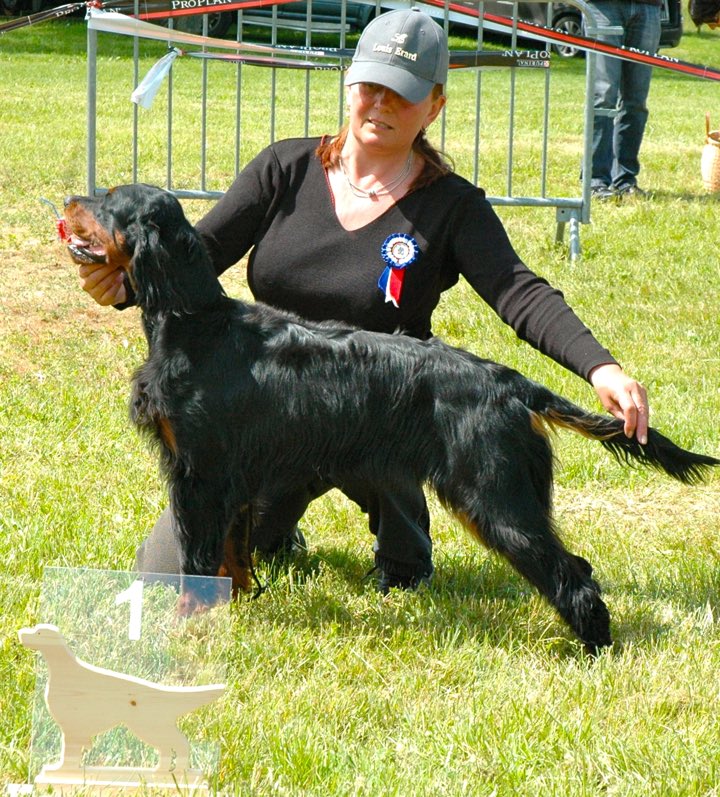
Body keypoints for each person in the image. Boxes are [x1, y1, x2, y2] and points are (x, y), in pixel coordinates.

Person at [77, 8, 649, 592]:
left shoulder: (452, 205)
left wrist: (599, 365)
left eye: (400, 95)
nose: (380, 105)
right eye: (370, 87)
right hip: (274, 411)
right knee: (167, 567)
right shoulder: (285, 167)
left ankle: (404, 546)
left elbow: (516, 289)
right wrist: (124, 285)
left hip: (386, 406)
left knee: (400, 466)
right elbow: (194, 255)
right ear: (349, 86)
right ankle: (267, 532)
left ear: (435, 106)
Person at [587, 0, 662, 200]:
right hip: (603, 7)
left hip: (649, 7)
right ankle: (595, 180)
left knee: (636, 100)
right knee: (604, 96)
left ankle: (625, 180)